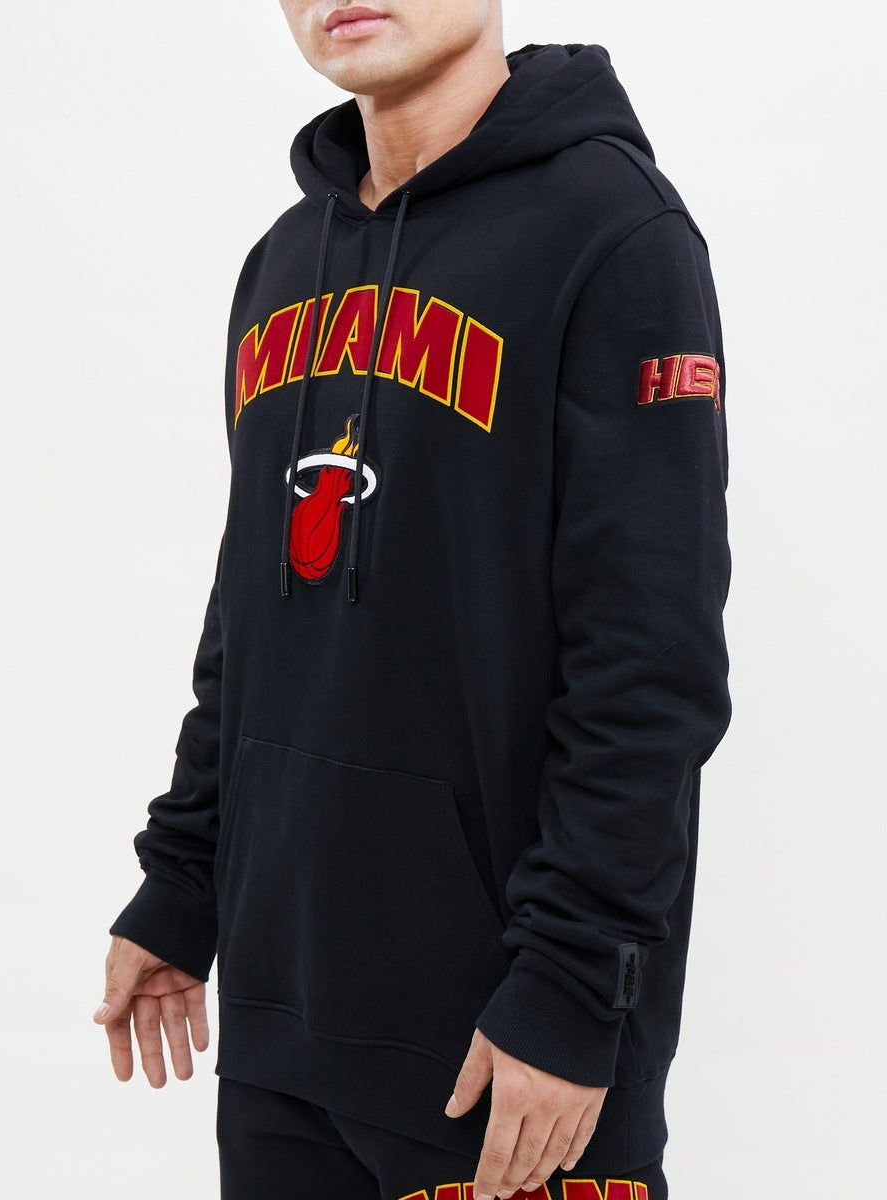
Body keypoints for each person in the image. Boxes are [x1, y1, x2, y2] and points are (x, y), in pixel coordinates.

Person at [93, 3, 732, 1198]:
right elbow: (252, 610)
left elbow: (651, 667)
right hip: (285, 1033)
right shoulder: (286, 261)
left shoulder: (614, 235)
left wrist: (571, 988)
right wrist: (183, 882)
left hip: (504, 1054)